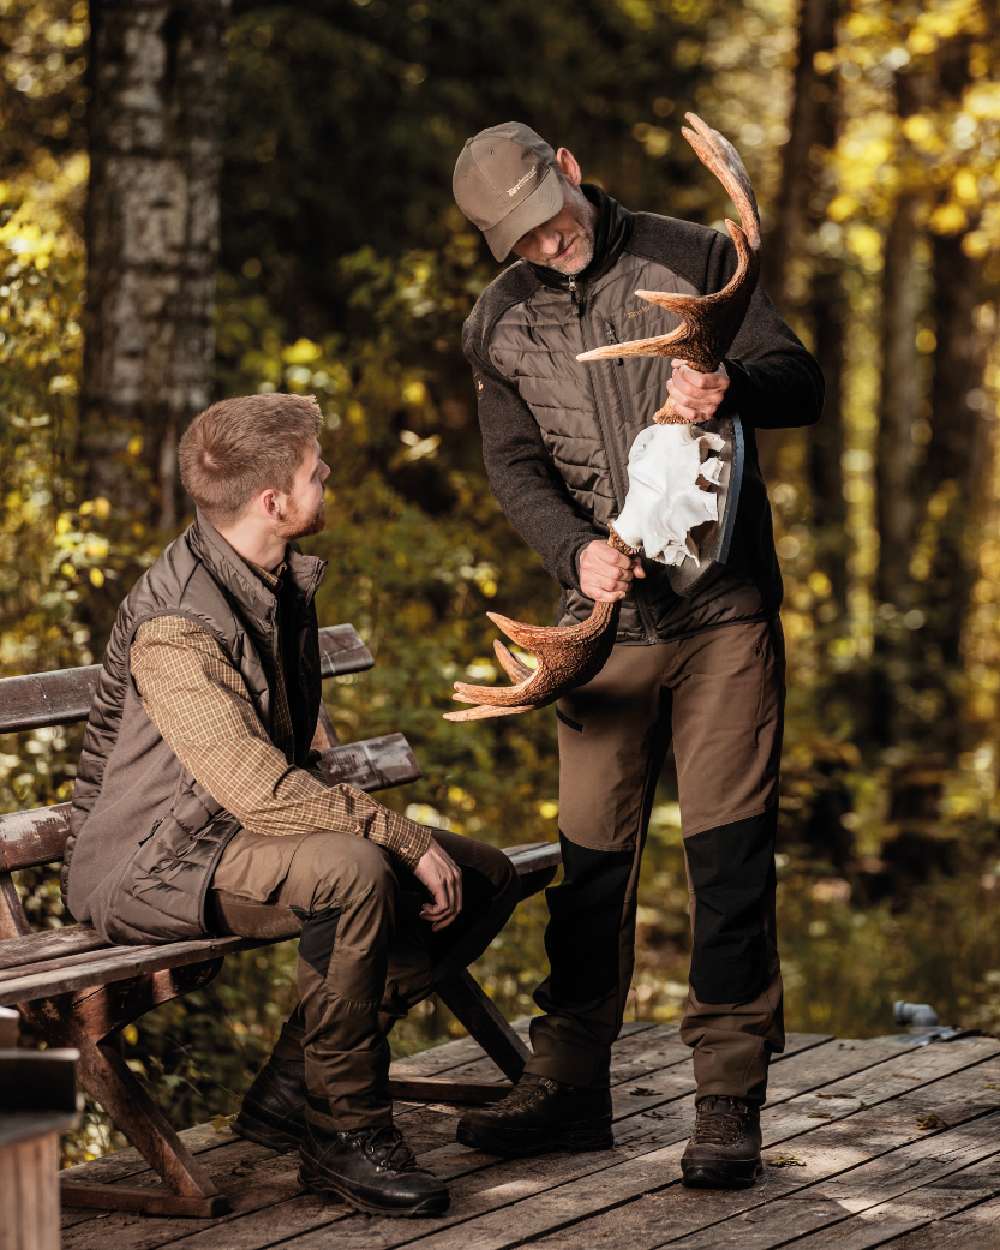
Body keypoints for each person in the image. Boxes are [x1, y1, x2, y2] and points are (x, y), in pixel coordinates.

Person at [451, 122, 823, 1189]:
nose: (546, 245)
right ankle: (568, 1083)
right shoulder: (498, 323)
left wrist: (730, 389)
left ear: (568, 167)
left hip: (722, 615)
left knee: (728, 860)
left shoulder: (694, 255)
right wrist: (573, 549)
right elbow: (515, 470)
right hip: (600, 625)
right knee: (589, 864)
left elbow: (799, 379)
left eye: (550, 221)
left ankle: (725, 1097)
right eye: (518, 242)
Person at [62, 392, 520, 1217]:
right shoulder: (177, 626)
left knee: (483, 876)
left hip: (227, 833)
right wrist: (401, 836)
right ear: (274, 503)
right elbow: (255, 787)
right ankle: (343, 1133)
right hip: (149, 864)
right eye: (317, 471)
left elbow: (271, 759)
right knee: (353, 872)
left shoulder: (262, 576)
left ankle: (293, 1086)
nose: (329, 476)